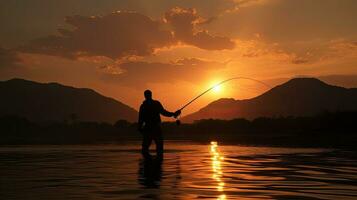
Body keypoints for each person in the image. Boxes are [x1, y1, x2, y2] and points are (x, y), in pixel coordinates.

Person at [138, 90, 180, 159]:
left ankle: (145, 165)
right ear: (151, 95)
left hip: (148, 128)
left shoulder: (143, 106)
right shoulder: (156, 104)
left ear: (145, 96)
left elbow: (140, 119)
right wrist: (173, 114)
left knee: (145, 148)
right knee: (159, 147)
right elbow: (164, 113)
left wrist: (139, 128)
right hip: (156, 128)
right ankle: (158, 164)